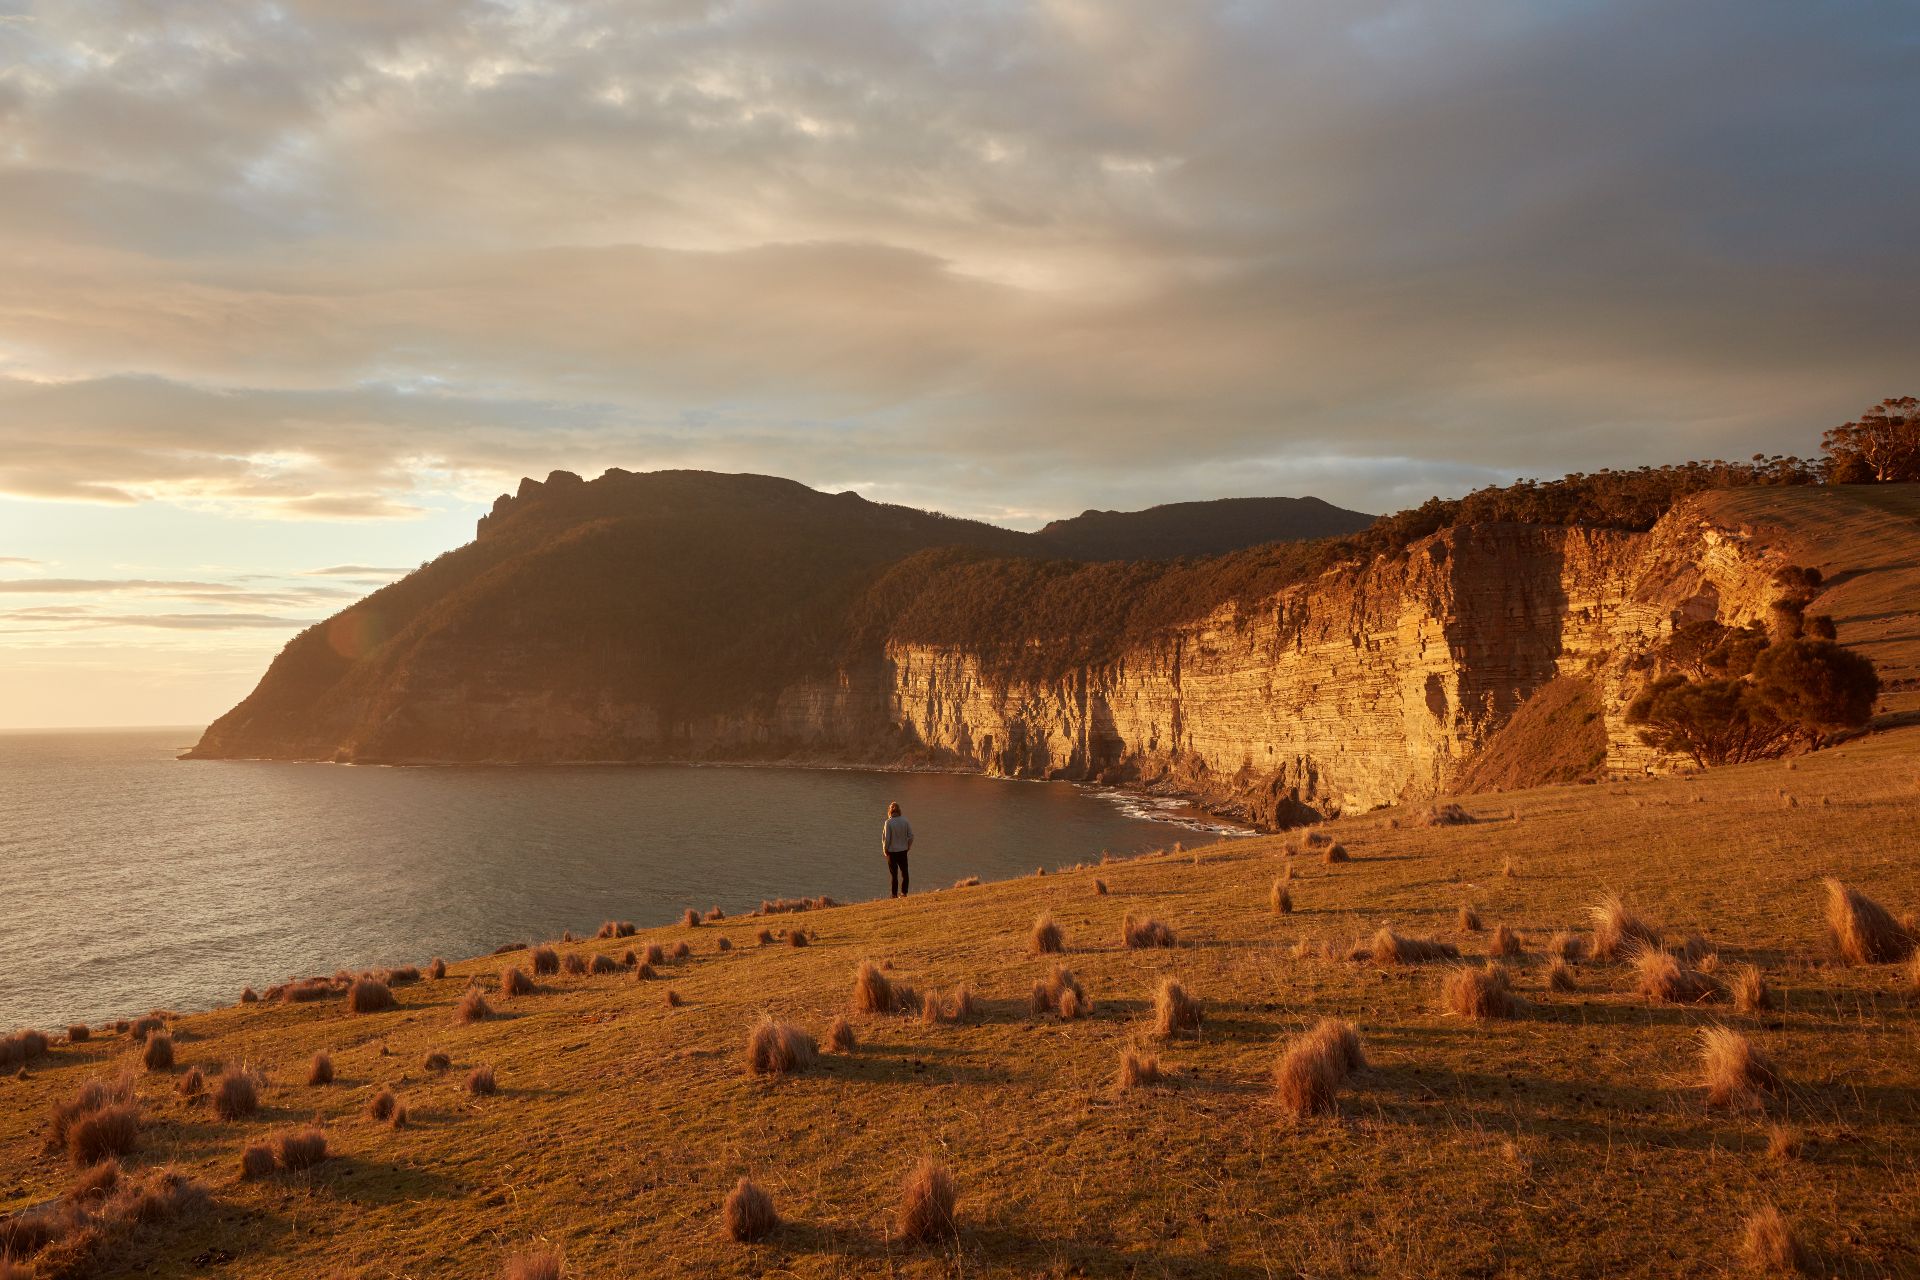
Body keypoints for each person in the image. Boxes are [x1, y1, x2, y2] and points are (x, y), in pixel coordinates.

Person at [881, 801, 914, 898]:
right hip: (903, 851)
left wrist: (885, 849)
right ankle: (904, 893)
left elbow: (887, 838)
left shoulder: (888, 822)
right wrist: (908, 846)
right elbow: (911, 836)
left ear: (889, 811)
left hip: (892, 852)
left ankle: (894, 894)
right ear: (899, 810)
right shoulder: (905, 821)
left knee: (894, 874)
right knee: (905, 872)